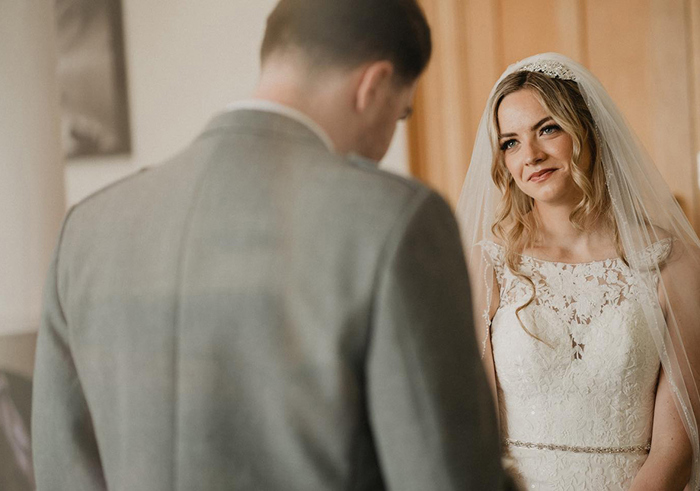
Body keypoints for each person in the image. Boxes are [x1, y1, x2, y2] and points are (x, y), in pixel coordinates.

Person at [31, 1, 510, 490]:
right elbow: (447, 479)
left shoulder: (87, 231)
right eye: (401, 114)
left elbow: (61, 473)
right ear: (373, 85)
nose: (390, 137)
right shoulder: (396, 222)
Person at [456, 52, 700, 490]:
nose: (529, 155)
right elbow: (472, 435)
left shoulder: (671, 261)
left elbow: (677, 446)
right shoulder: (489, 264)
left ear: (588, 129)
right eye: (510, 142)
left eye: (548, 129)